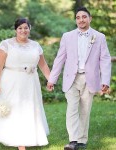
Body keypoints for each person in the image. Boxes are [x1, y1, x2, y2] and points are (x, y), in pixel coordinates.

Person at [0, 18, 50, 150]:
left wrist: (50, 80)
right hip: (11, 81)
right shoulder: (6, 44)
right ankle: (19, 142)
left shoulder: (35, 45)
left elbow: (43, 65)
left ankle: (27, 137)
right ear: (15, 30)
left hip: (30, 82)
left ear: (30, 29)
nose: (23, 30)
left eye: (26, 27)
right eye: (20, 28)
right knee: (14, 109)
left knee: (29, 108)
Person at [47, 7, 111, 150]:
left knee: (85, 110)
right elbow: (60, 59)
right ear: (75, 20)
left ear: (90, 18)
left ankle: (82, 139)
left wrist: (105, 81)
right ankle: (73, 140)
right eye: (78, 17)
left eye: (84, 17)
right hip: (72, 78)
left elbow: (105, 59)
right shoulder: (67, 36)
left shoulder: (99, 37)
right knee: (72, 109)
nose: (81, 20)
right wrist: (52, 79)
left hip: (90, 79)